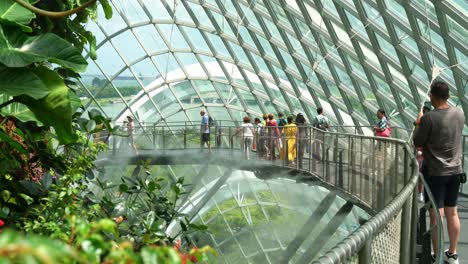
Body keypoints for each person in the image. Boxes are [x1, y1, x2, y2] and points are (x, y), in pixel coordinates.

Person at [414, 81, 464, 264]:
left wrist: (419, 122)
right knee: (452, 212)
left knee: (436, 213)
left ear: (433, 96)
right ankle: (452, 253)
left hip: (435, 172)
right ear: (448, 95)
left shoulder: (429, 118)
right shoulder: (459, 113)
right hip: (455, 171)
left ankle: (435, 254)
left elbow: (417, 140)